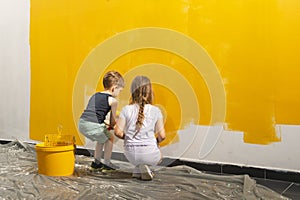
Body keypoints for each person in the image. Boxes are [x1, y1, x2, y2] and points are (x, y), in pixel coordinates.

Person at [114, 75, 166, 180]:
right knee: (159, 155)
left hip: (130, 155)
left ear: (132, 91)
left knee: (138, 157)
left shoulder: (126, 109)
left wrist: (127, 137)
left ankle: (138, 169)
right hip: (149, 153)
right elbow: (162, 136)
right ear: (150, 92)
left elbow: (117, 132)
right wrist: (155, 142)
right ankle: (144, 166)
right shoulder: (156, 110)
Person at [78, 70, 124, 170]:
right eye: (120, 90)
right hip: (92, 124)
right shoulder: (113, 101)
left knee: (102, 137)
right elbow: (112, 122)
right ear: (114, 88)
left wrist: (105, 125)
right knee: (110, 138)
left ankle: (96, 163)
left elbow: (94, 114)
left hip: (82, 123)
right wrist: (114, 126)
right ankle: (107, 163)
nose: (119, 93)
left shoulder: (95, 95)